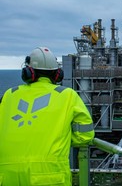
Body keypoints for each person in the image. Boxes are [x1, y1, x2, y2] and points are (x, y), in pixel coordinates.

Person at [0, 47, 94, 185]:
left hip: (7, 176)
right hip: (50, 176)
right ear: (57, 75)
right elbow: (86, 135)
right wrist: (61, 139)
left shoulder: (9, 94)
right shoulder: (66, 95)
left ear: (28, 73)